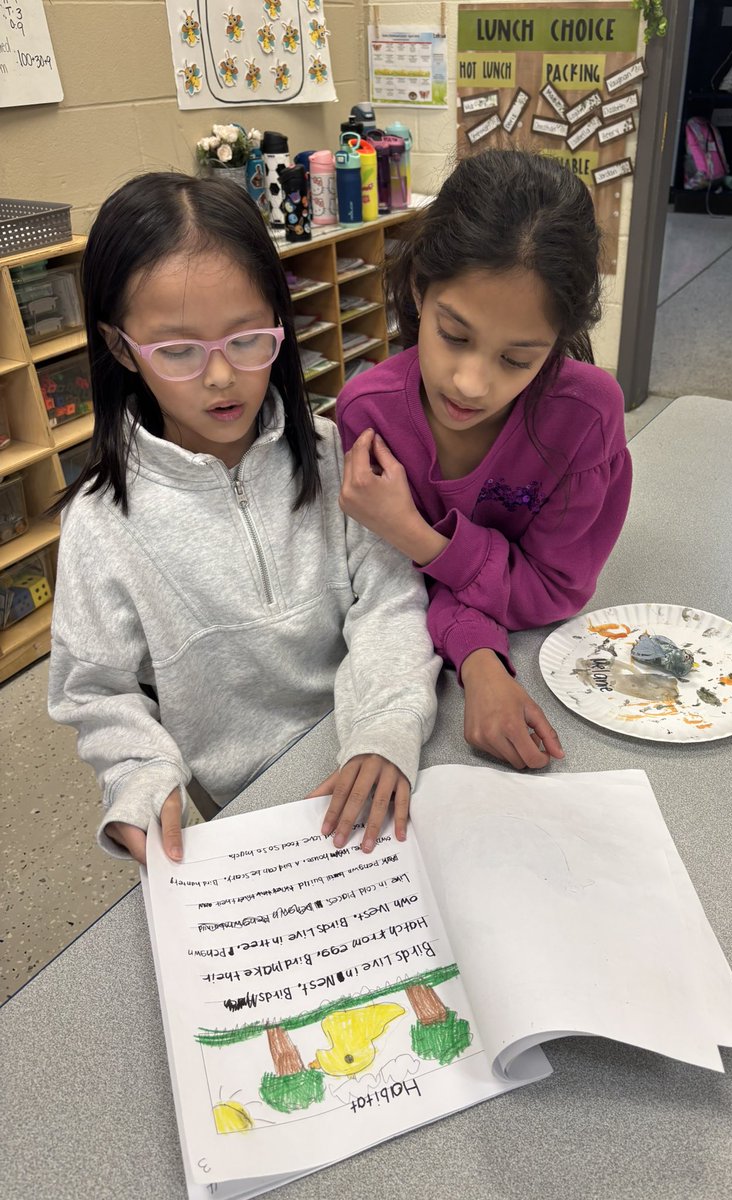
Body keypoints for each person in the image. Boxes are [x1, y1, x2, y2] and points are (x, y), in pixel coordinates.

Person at [47, 173, 440, 866]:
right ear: (119, 348)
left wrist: (384, 728)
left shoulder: (331, 454)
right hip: (245, 816)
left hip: (374, 756)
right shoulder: (100, 521)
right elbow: (96, 689)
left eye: (248, 339)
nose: (222, 377)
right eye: (177, 352)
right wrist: (139, 777)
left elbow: (388, 601)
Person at [337, 149, 631, 771]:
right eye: (454, 335)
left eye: (517, 359)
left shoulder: (585, 418)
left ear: (556, 343)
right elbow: (393, 590)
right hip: (417, 673)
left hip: (542, 651)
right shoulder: (368, 413)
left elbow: (555, 588)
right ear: (419, 288)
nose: (470, 383)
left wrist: (416, 534)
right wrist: (479, 659)